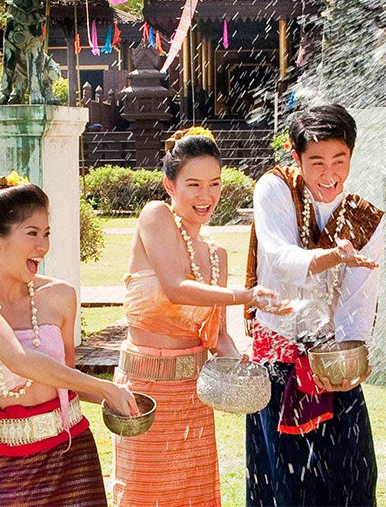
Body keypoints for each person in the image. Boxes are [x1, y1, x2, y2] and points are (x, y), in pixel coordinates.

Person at [112, 128, 285, 507]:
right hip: (143, 389)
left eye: (214, 184)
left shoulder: (217, 254)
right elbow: (175, 286)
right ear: (169, 185)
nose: (205, 196)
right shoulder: (155, 216)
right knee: (143, 493)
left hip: (192, 392)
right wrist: (245, 295)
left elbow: (216, 335)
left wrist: (241, 364)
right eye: (193, 184)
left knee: (192, 496)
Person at [0, 173, 138, 507]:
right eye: (32, 233)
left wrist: (120, 399)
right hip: (5, 463)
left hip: (72, 454)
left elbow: (67, 380)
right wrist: (106, 387)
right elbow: (18, 359)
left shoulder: (60, 295)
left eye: (46, 233)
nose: (44, 246)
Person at [245, 104, 384, 506]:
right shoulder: (275, 188)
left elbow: (360, 296)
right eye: (317, 161)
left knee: (354, 480)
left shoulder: (361, 212)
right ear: (296, 156)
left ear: (352, 157)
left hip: (331, 365)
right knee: (286, 487)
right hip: (280, 364)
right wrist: (334, 256)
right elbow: (282, 260)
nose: (329, 174)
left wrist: (351, 356)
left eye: (339, 161)